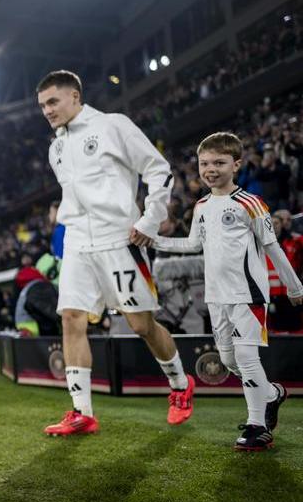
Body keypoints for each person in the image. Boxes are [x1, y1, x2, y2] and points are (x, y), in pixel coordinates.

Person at [38, 69, 194, 436]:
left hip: (120, 240)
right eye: (42, 105)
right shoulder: (55, 147)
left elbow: (158, 170)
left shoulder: (112, 125)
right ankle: (82, 412)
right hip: (77, 241)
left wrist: (150, 220)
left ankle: (180, 384)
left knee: (141, 324)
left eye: (53, 101)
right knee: (71, 318)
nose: (47, 110)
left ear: (75, 96)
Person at [155, 132, 302, 450]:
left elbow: (273, 248)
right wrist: (155, 240)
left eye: (219, 162)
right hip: (216, 296)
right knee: (229, 360)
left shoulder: (251, 203)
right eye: (204, 163)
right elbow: (193, 244)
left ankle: (257, 425)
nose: (210, 169)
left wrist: (294, 286)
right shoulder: (202, 205)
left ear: (236, 164)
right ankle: (273, 394)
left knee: (248, 358)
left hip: (247, 294)